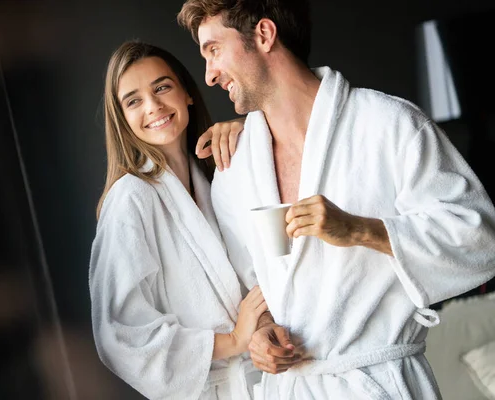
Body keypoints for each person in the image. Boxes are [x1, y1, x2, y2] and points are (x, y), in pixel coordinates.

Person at [177, 1, 495, 399]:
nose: (208, 75)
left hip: (380, 383)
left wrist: (363, 229)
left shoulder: (389, 125)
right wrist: (260, 337)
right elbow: (252, 288)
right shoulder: (235, 168)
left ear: (263, 35)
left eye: (213, 50)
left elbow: (481, 239)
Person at [89, 41, 266, 400]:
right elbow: (118, 333)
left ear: (186, 92)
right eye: (133, 100)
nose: (153, 106)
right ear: (122, 118)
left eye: (162, 87)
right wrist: (232, 341)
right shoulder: (131, 198)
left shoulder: (214, 177)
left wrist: (248, 134)